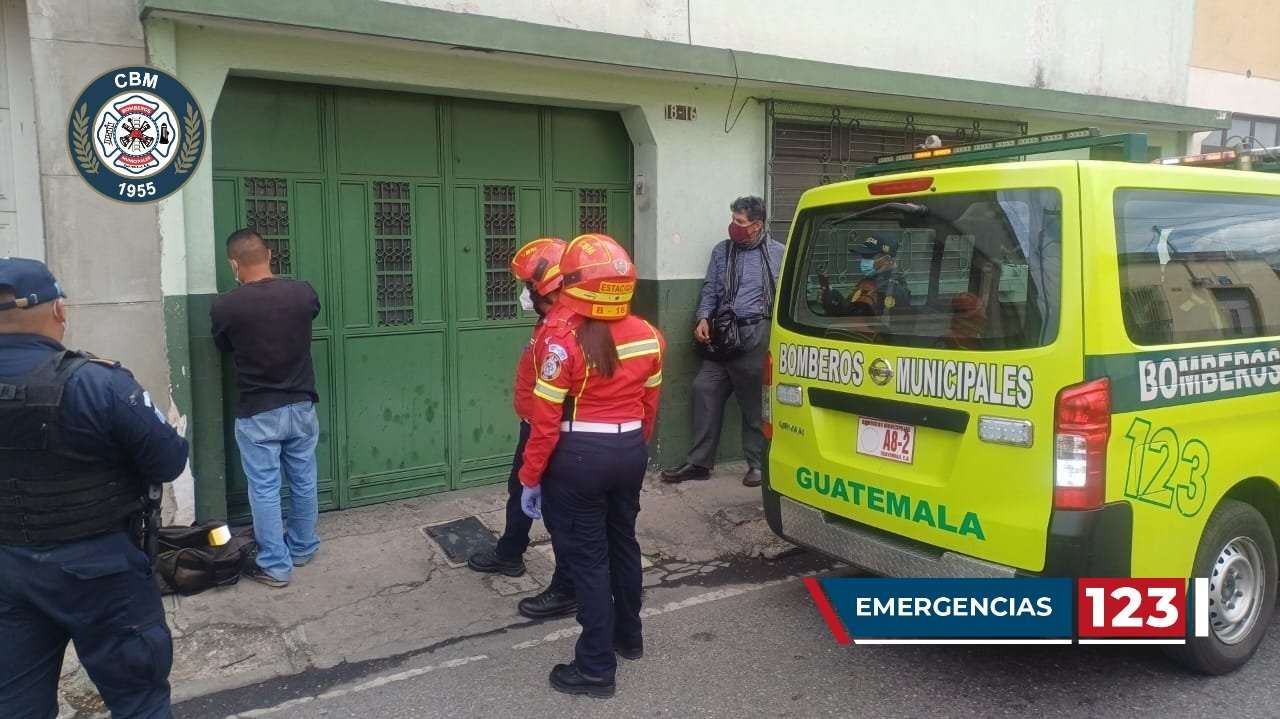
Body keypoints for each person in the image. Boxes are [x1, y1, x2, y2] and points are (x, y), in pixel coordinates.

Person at [0, 257, 189, 718]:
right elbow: (168, 460)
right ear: (59, 309)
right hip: (102, 571)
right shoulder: (98, 384)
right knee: (139, 701)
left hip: (8, 571)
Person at [518, 234, 664, 697]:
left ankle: (596, 667)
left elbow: (543, 423)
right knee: (623, 544)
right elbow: (649, 407)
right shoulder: (649, 334)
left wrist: (530, 477)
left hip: (578, 459)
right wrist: (630, 453)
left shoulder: (562, 342)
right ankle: (629, 637)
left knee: (588, 561)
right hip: (628, 455)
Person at [466, 238, 577, 620]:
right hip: (535, 423)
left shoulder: (564, 327)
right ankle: (510, 552)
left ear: (546, 286)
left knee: (560, 512)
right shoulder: (548, 321)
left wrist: (538, 454)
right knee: (520, 489)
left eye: (528, 285)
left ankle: (567, 586)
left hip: (553, 430)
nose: (523, 293)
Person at [211, 229, 321, 588]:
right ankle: (303, 548)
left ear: (233, 264)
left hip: (258, 411)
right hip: (301, 404)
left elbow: (223, 345)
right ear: (269, 254)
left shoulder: (226, 306)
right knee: (304, 480)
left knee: (264, 487)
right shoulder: (303, 293)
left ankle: (275, 564)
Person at [662, 196, 783, 488]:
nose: (734, 227)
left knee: (753, 403)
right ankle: (699, 462)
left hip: (756, 336)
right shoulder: (722, 251)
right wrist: (703, 318)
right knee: (704, 389)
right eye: (733, 219)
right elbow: (710, 290)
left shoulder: (777, 253)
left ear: (757, 225)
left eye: (740, 222)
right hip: (721, 337)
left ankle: (756, 465)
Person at [817, 235, 910, 317]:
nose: (864, 261)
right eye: (863, 256)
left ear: (887, 260)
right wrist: (832, 298)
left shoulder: (891, 289)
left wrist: (835, 302)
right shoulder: (871, 280)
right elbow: (852, 311)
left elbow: (859, 320)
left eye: (869, 257)